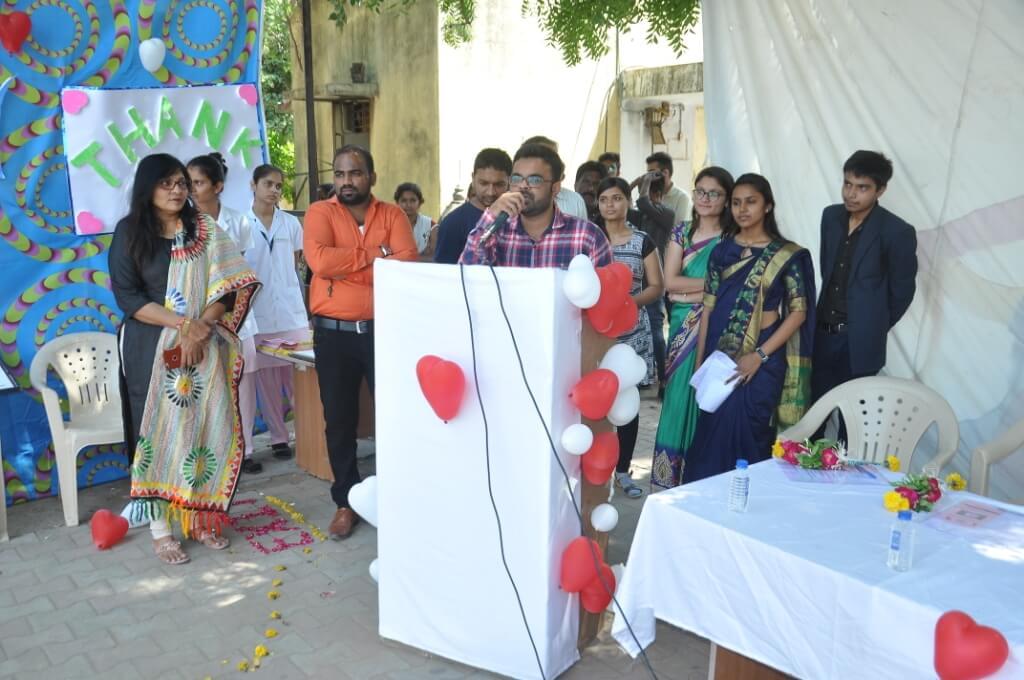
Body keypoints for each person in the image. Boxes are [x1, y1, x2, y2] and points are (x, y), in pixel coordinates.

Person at [109, 153, 260, 565]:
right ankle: (162, 531)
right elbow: (129, 299)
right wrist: (183, 326)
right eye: (167, 183)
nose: (177, 191)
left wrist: (201, 329)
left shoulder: (204, 229)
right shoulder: (129, 233)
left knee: (206, 428)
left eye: (182, 183)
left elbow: (228, 288)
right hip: (148, 348)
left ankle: (202, 522)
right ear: (147, 188)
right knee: (156, 434)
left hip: (204, 345)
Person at [304, 145, 418, 538]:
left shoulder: (391, 213)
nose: (346, 181)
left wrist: (349, 262)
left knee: (395, 415)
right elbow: (319, 262)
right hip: (334, 335)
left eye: (354, 173)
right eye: (339, 174)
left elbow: (406, 259)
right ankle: (346, 501)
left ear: (371, 176)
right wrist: (376, 255)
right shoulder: (321, 212)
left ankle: (400, 497)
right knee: (339, 420)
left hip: (384, 331)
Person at [681, 173, 816, 484]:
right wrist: (701, 364)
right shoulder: (721, 251)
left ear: (767, 206)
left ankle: (747, 508)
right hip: (721, 358)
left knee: (752, 434)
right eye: (737, 203)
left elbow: (798, 313)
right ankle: (708, 510)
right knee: (710, 438)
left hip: (763, 358)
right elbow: (709, 307)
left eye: (751, 202)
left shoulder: (788, 255)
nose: (742, 209)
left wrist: (759, 356)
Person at [813, 151, 917, 421]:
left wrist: (872, 323)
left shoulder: (897, 231)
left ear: (880, 190)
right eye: (847, 184)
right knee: (814, 416)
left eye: (862, 188)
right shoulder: (830, 217)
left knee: (854, 424)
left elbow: (902, 292)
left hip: (859, 342)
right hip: (822, 335)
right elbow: (828, 270)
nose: (851, 194)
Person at [651, 167, 733, 489]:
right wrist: (714, 287)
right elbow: (669, 282)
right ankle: (666, 477)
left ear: (726, 199)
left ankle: (702, 476)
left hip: (717, 327)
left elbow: (733, 286)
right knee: (677, 397)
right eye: (700, 191)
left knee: (709, 394)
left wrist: (690, 291)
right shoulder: (681, 233)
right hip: (683, 330)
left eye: (713, 193)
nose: (705, 198)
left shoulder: (732, 238)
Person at [186, 153, 264, 473]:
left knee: (243, 383)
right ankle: (209, 453)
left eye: (199, 183)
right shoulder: (181, 225)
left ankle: (243, 451)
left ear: (218, 186)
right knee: (204, 385)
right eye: (187, 182)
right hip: (200, 317)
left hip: (237, 316)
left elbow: (241, 271)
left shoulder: (240, 221)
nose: (191, 189)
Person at [597, 177, 664, 498]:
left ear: (628, 202)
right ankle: (595, 469)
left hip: (632, 334)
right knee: (595, 403)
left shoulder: (642, 241)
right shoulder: (590, 239)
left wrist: (626, 304)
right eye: (604, 199)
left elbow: (656, 286)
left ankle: (622, 471)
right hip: (595, 336)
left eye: (617, 198)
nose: (610, 205)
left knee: (628, 404)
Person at [245, 165, 308, 471]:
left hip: (290, 311)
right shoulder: (241, 224)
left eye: (278, 186)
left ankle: (307, 435)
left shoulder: (291, 224)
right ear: (253, 185)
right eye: (268, 184)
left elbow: (296, 264)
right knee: (267, 380)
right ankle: (278, 437)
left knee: (299, 375)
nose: (273, 190)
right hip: (257, 314)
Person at [459, 142, 612, 268]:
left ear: (555, 188)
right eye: (517, 178)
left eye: (534, 180)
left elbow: (605, 299)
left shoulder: (587, 237)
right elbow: (467, 278)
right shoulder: (498, 231)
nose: (523, 186)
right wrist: (490, 215)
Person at [635, 171, 676, 394]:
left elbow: (641, 201)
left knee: (656, 330)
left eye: (649, 190)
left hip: (654, 279)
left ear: (657, 194)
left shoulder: (667, 214)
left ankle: (663, 379)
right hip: (636, 278)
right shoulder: (641, 215)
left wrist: (643, 182)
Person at [433, 148, 512, 264]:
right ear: (473, 178)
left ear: (510, 181)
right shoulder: (453, 223)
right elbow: (445, 276)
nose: (491, 192)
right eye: (484, 183)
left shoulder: (521, 218)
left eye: (499, 184)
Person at [521, 135, 588, 219]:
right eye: (547, 156)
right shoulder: (511, 201)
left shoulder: (575, 201)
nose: (554, 161)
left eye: (556, 156)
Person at [643, 152, 692, 229]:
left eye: (652, 172)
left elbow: (679, 229)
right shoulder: (649, 194)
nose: (648, 177)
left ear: (665, 173)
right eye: (648, 173)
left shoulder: (682, 198)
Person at [394, 182, 437, 260]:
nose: (408, 205)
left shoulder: (431, 226)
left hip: (422, 270)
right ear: (397, 203)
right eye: (404, 200)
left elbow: (435, 257)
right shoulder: (388, 225)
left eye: (413, 200)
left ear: (420, 203)